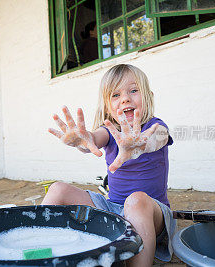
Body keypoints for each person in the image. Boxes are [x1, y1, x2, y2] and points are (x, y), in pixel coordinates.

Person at [44, 64, 176, 266]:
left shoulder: (155, 127)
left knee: (135, 201)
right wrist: (83, 140)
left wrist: (141, 144)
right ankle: (39, 247)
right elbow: (93, 140)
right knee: (57, 189)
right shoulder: (110, 131)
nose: (125, 98)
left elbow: (158, 138)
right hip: (113, 209)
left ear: (148, 96)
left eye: (133, 90)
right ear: (107, 106)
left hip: (150, 213)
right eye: (116, 95)